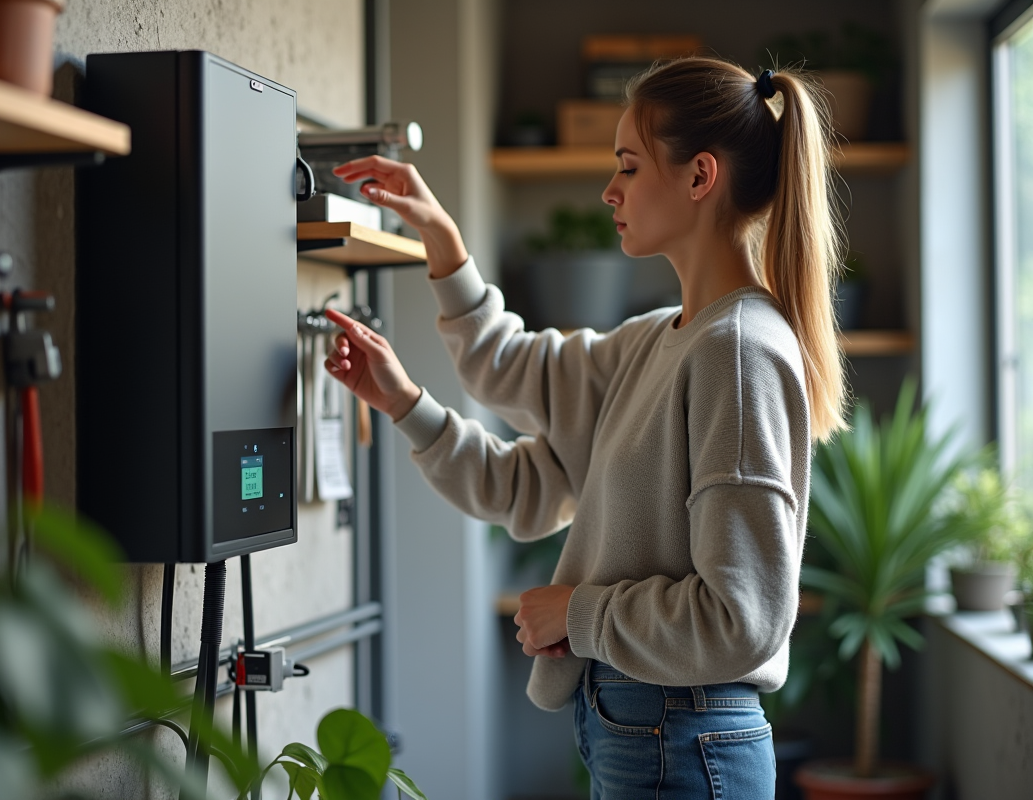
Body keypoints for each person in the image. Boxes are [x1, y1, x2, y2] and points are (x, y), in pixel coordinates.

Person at [323, 57, 846, 799]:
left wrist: (579, 611)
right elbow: (523, 472)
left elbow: (743, 619)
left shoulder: (736, 352)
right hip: (643, 727)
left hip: (681, 733)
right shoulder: (657, 341)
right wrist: (405, 396)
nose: (610, 191)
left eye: (629, 167)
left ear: (700, 177)